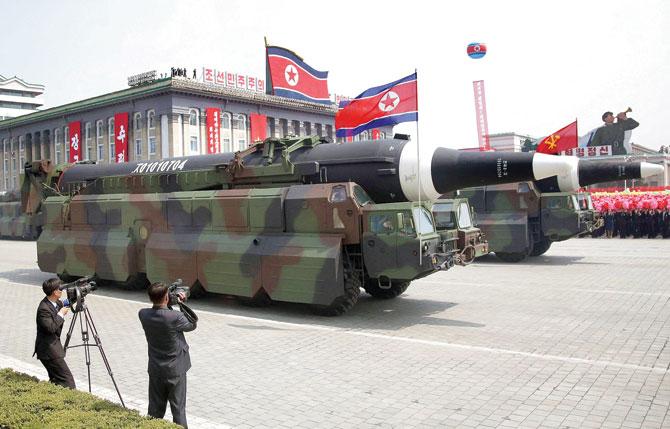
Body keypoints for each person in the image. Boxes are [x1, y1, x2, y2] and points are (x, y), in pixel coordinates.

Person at [139, 282, 197, 428]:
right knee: (178, 410)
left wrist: (167, 302)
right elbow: (192, 324)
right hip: (175, 371)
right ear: (166, 297)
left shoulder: (143, 314)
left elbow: (163, 313)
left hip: (156, 369)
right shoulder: (175, 317)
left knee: (154, 410)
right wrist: (180, 303)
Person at [33, 278, 76, 389]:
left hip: (52, 348)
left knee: (56, 380)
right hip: (48, 351)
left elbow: (65, 302)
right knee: (67, 381)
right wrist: (61, 314)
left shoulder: (54, 302)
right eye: (60, 288)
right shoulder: (44, 309)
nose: (62, 290)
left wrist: (79, 294)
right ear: (54, 292)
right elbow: (51, 328)